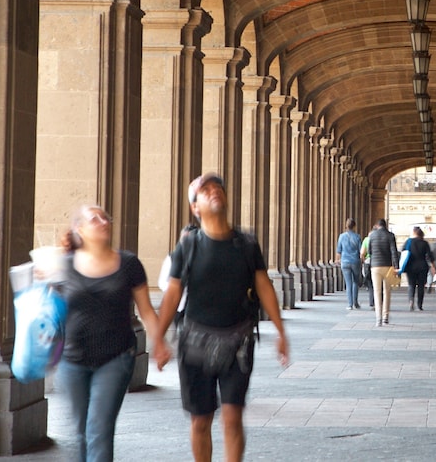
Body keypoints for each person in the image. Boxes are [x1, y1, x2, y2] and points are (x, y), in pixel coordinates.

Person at [154, 173, 290, 462]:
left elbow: (264, 286)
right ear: (195, 207)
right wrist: (159, 338)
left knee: (232, 417)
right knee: (200, 421)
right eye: (205, 190)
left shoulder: (247, 245)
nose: (214, 191)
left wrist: (281, 332)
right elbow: (173, 294)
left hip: (237, 343)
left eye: (218, 188)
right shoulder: (187, 247)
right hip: (194, 345)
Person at [55, 204, 169, 462]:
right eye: (94, 218)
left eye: (105, 217)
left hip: (116, 358)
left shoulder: (128, 264)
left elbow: (146, 310)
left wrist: (159, 342)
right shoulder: (63, 266)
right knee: (80, 433)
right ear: (79, 229)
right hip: (72, 360)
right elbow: (47, 311)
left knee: (99, 430)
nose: (103, 221)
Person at [361, 218, 398, 326]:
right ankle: (386, 317)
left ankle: (378, 319)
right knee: (387, 292)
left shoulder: (372, 236)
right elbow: (394, 252)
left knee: (377, 292)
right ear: (385, 225)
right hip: (387, 266)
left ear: (377, 225)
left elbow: (370, 251)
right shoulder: (390, 235)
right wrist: (396, 267)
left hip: (375, 266)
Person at [400, 227, 436, 311]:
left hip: (410, 266)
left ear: (414, 233)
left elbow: (403, 252)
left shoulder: (408, 242)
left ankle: (411, 300)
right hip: (422, 267)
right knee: (421, 286)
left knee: (411, 285)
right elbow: (429, 255)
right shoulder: (424, 243)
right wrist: (433, 266)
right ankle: (420, 304)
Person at [335, 218, 363, 310]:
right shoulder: (357, 237)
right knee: (355, 282)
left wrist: (337, 260)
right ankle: (355, 302)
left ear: (346, 226)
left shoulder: (341, 236)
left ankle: (350, 304)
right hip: (355, 261)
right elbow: (361, 251)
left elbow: (339, 250)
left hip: (345, 262)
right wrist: (362, 260)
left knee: (348, 283)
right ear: (354, 226)